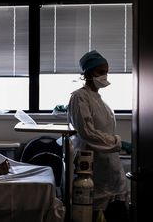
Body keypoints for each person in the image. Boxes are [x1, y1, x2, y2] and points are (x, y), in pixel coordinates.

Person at [67, 50, 129, 222]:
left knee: (117, 208)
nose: (104, 76)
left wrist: (116, 145)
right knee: (91, 210)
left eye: (106, 71)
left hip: (110, 166)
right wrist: (118, 142)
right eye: (100, 72)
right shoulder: (80, 97)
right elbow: (87, 132)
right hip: (92, 165)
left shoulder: (99, 99)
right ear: (87, 73)